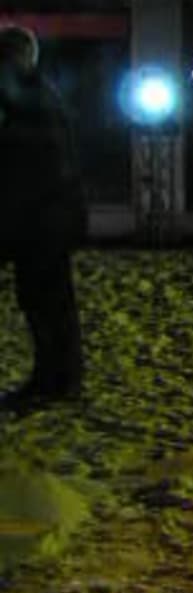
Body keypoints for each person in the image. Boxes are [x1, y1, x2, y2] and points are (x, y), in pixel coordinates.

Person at [0, 25, 86, 412]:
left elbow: (24, 165)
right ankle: (60, 379)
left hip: (37, 219)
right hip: (52, 216)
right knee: (53, 301)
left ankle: (53, 380)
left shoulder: (21, 98)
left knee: (42, 301)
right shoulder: (44, 96)